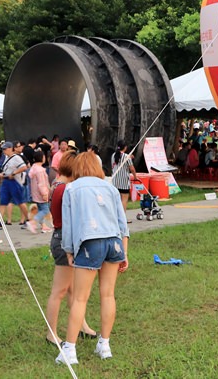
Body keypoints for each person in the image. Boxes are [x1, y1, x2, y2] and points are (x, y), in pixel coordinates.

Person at [57, 153, 130, 365]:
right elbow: (122, 223)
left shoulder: (72, 189)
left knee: (80, 298)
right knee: (108, 295)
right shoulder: (110, 187)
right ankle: (104, 345)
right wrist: (124, 251)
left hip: (90, 243)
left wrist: (69, 251)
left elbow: (68, 226)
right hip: (113, 242)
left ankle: (70, 350)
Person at [45, 153, 97, 346]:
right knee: (59, 290)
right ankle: (51, 332)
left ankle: (81, 324)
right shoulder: (65, 189)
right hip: (63, 239)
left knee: (73, 289)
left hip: (62, 238)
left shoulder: (57, 185)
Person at [0, 142, 29, 226]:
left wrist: (14, 173)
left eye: (5, 149)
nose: (4, 151)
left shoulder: (16, 158)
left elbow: (24, 167)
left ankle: (28, 219)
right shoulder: (5, 157)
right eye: (3, 149)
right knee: (3, 201)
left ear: (10, 148)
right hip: (6, 180)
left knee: (20, 202)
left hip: (15, 182)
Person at [109, 141, 136, 220]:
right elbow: (132, 168)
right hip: (124, 182)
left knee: (116, 200)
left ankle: (115, 217)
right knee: (124, 199)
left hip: (115, 181)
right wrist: (135, 176)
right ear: (125, 147)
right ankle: (122, 218)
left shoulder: (113, 155)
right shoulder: (126, 156)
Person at [28, 148, 52, 233]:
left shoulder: (33, 168)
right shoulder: (40, 170)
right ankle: (33, 222)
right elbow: (42, 184)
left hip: (35, 194)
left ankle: (43, 226)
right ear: (42, 158)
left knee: (41, 209)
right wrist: (45, 194)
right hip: (41, 194)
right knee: (45, 210)